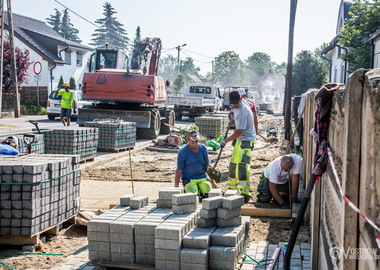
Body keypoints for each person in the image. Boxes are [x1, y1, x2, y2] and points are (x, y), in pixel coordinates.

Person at [220, 91, 256, 203]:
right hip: (239, 140)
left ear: (240, 100)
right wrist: (232, 116)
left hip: (247, 139)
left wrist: (225, 141)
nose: (234, 105)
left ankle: (245, 193)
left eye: (236, 103)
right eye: (232, 104)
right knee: (233, 164)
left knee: (243, 166)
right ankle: (233, 188)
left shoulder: (243, 111)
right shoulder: (239, 104)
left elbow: (238, 132)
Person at [174, 129, 217, 198]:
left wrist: (213, 181)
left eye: (196, 140)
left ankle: (202, 192)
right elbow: (179, 170)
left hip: (202, 177)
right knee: (193, 197)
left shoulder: (203, 148)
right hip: (189, 178)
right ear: (187, 140)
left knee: (209, 195)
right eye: (192, 141)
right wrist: (176, 188)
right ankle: (193, 191)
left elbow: (207, 166)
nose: (195, 142)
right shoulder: (183, 152)